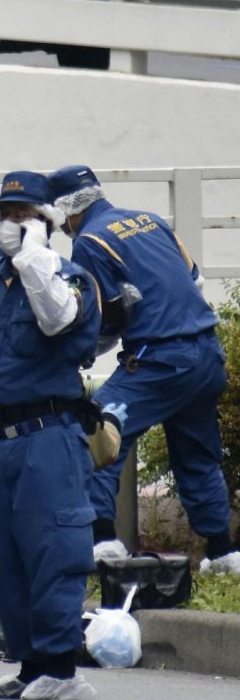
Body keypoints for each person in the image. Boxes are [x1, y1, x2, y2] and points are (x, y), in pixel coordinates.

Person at [0, 172, 102, 700]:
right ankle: (31, 668)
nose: (11, 223)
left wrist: (34, 256)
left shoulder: (72, 277)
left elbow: (56, 320)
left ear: (47, 221)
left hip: (48, 437)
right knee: (6, 561)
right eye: (5, 213)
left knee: (53, 551)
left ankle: (60, 670)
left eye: (24, 215)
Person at [48, 165, 240, 573]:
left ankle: (103, 543)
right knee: (197, 454)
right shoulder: (149, 220)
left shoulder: (90, 241)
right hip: (206, 354)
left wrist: (77, 353)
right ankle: (223, 553)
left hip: (161, 360)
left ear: (66, 210)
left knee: (97, 433)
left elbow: (106, 315)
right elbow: (193, 279)